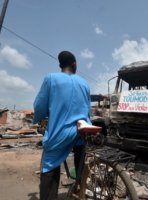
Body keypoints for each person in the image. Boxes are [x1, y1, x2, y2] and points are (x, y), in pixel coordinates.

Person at [33, 51, 91, 200]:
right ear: (74, 64)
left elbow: (40, 106)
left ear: (60, 65)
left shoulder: (51, 79)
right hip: (82, 129)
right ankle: (81, 188)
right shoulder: (84, 83)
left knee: (50, 163)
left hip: (61, 132)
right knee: (81, 160)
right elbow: (87, 109)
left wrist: (39, 117)